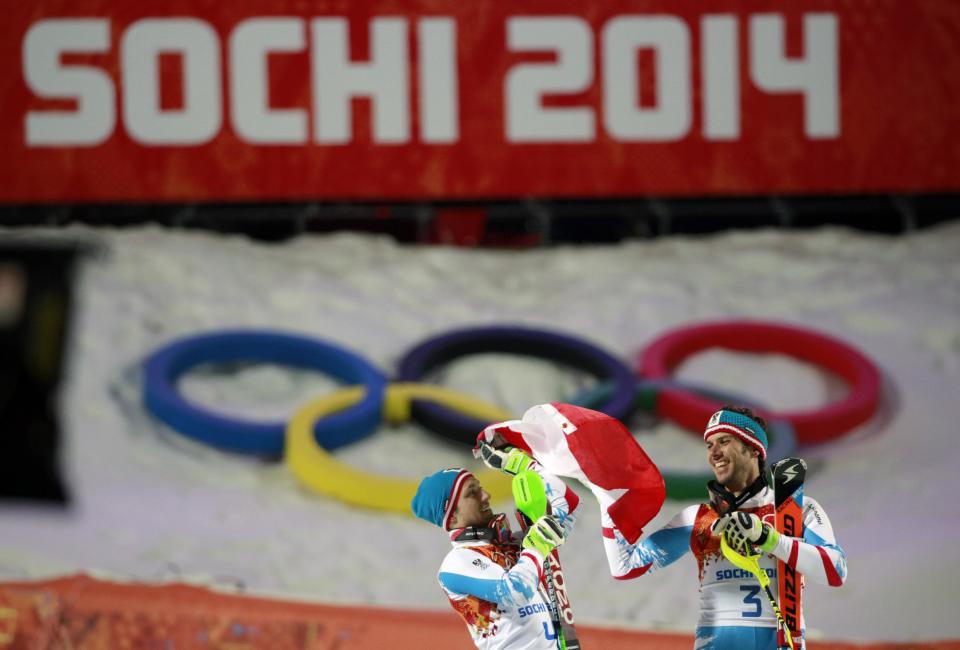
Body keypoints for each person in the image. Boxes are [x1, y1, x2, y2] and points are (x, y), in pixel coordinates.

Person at [599, 405, 847, 650]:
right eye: (709, 445)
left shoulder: (798, 509)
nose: (713, 452)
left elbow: (836, 571)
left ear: (752, 449)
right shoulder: (699, 518)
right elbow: (625, 567)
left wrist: (769, 539)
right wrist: (607, 506)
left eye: (724, 441)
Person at [412, 446, 581, 649]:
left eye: (480, 487)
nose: (486, 495)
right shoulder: (456, 563)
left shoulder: (512, 544)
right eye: (472, 493)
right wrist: (536, 546)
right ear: (452, 516)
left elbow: (569, 506)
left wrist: (525, 466)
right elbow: (514, 592)